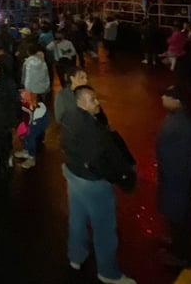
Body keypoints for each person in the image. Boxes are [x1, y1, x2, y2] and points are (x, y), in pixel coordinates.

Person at [60, 86, 136, 284]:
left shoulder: (68, 116)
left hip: (73, 175)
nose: (97, 103)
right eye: (93, 100)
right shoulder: (94, 130)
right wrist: (118, 178)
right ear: (82, 102)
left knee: (77, 219)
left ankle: (76, 256)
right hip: (92, 184)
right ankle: (108, 272)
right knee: (104, 229)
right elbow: (103, 161)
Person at [156, 85, 191, 270]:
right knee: (176, 219)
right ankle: (176, 245)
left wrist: (172, 181)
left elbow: (183, 161)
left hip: (177, 182)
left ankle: (183, 257)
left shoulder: (183, 125)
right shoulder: (178, 117)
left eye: (166, 97)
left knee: (180, 219)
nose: (162, 99)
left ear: (177, 101)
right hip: (173, 180)